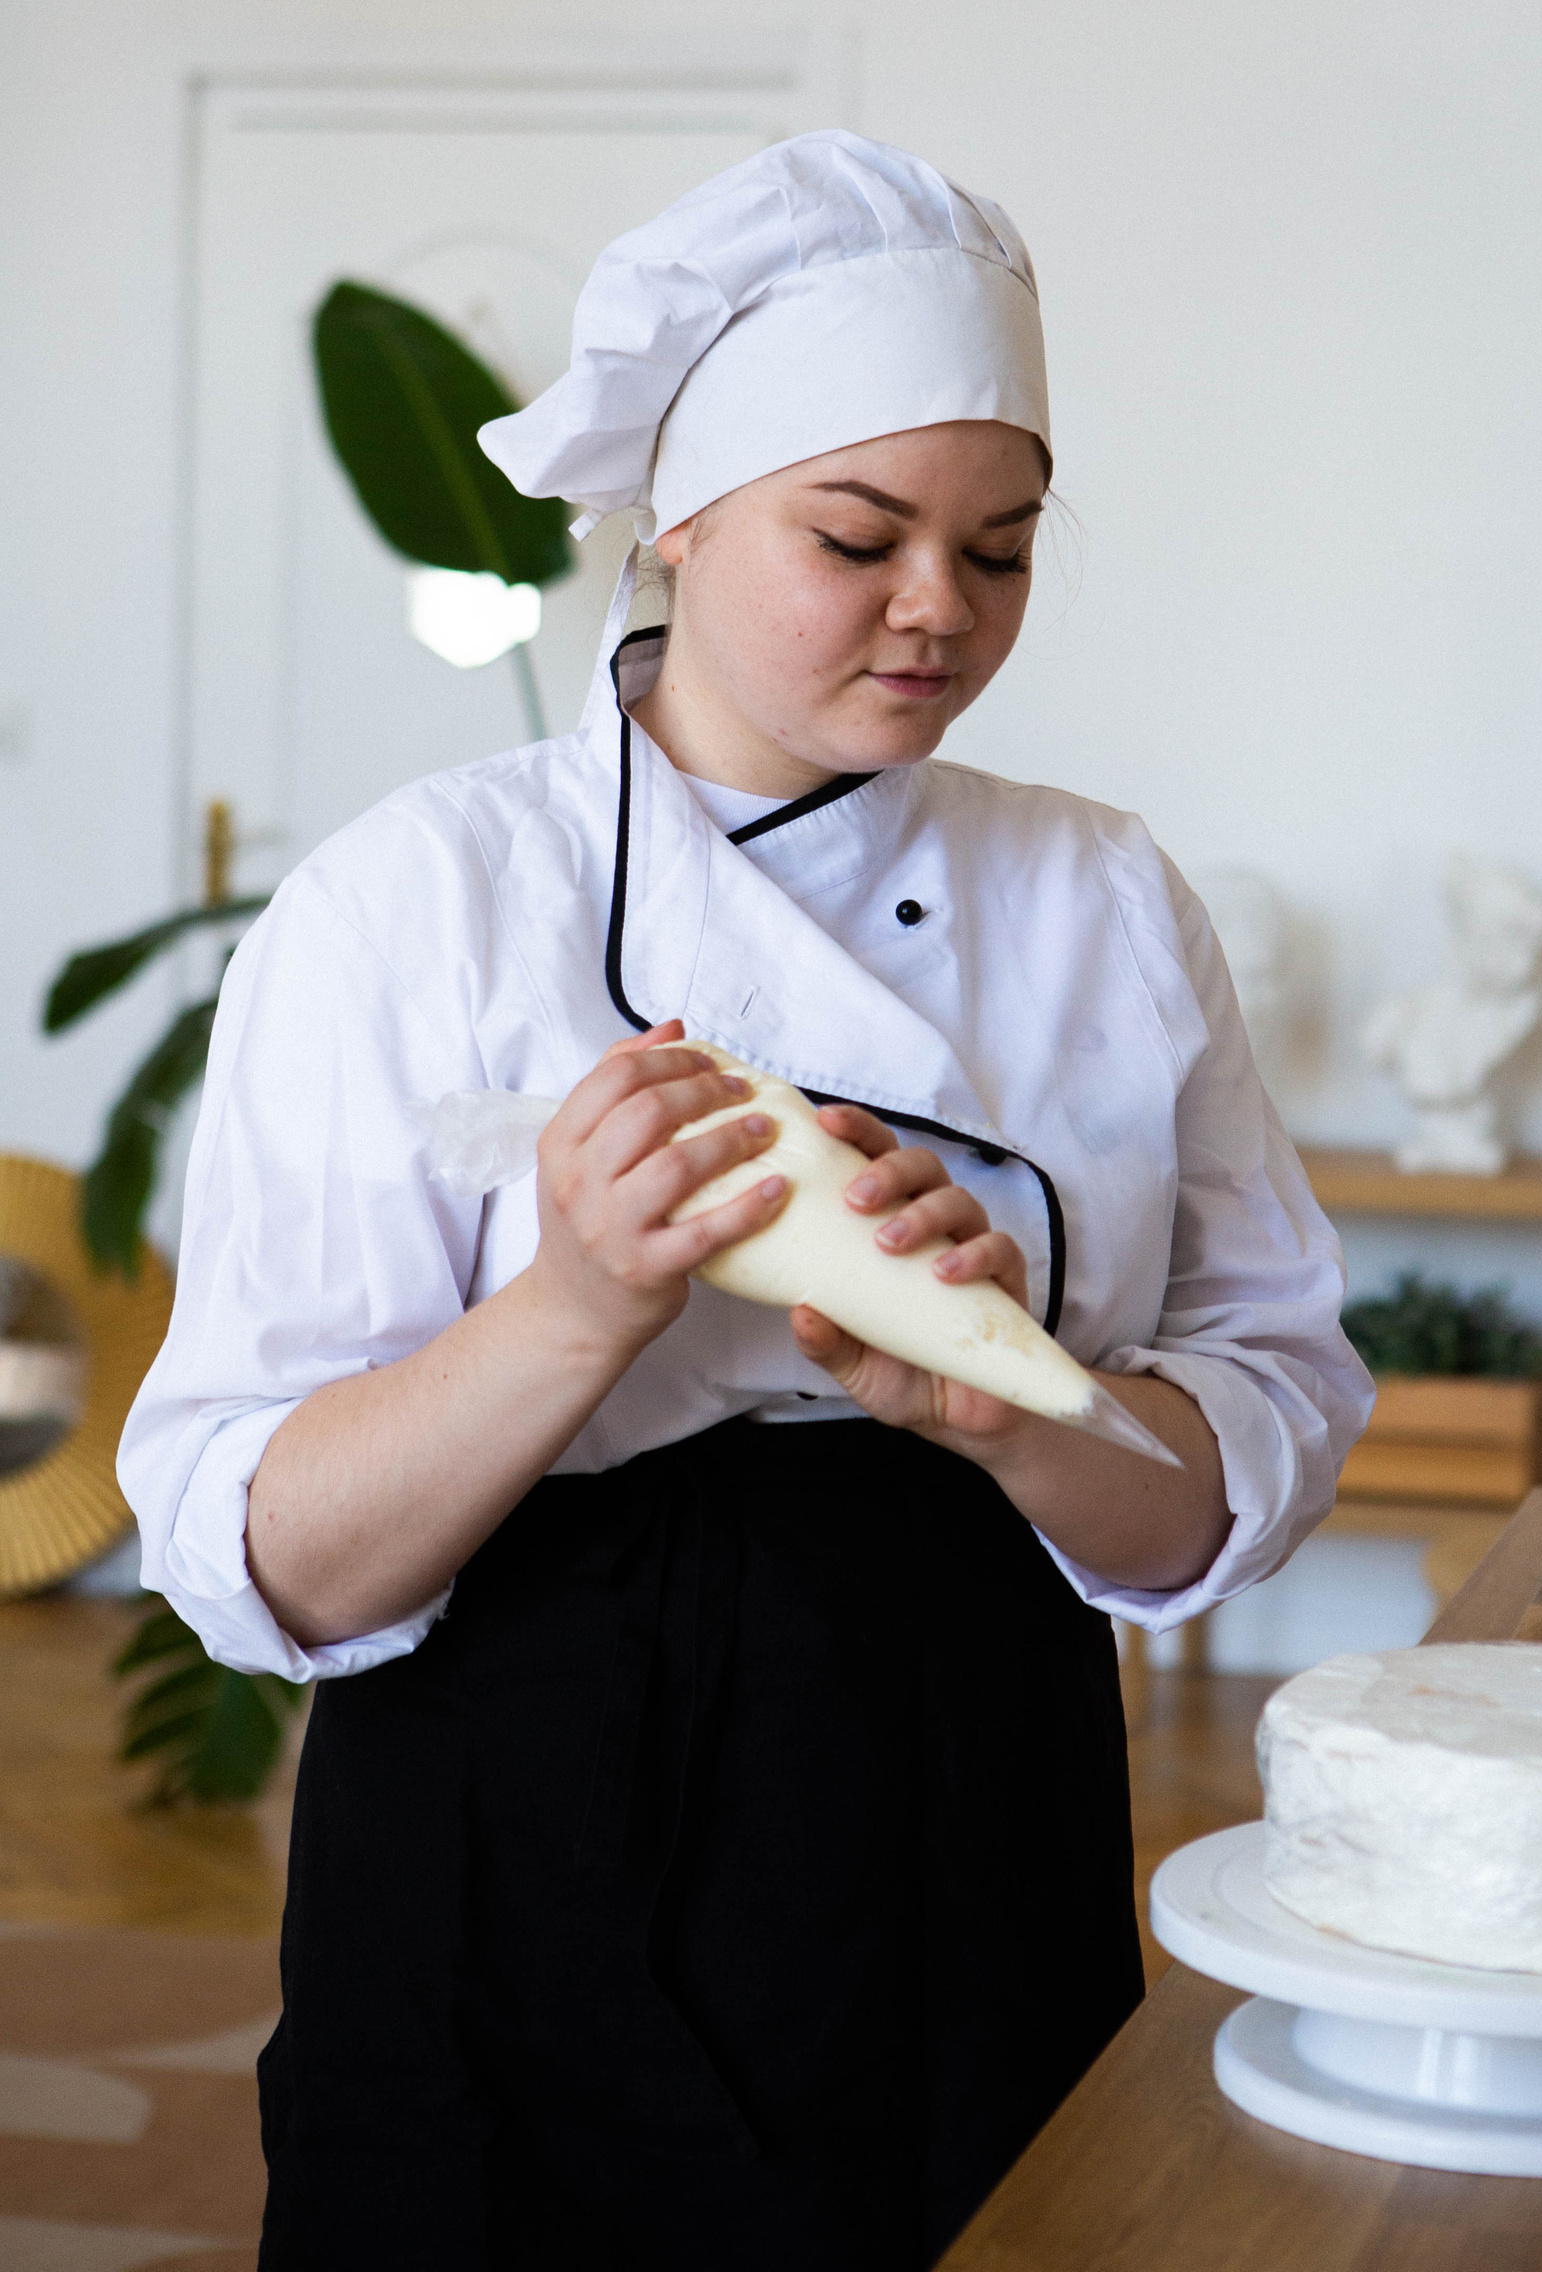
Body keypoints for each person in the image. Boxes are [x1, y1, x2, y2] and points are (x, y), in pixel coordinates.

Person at [118, 132, 1369, 2272]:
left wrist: (1011, 1405)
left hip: (961, 1769)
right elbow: (270, 1562)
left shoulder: (1099, 898)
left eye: (1001, 549)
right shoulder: (413, 906)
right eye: (858, 536)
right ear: (678, 519)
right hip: (515, 1785)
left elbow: (1235, 1465)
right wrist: (572, 1308)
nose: (938, 608)